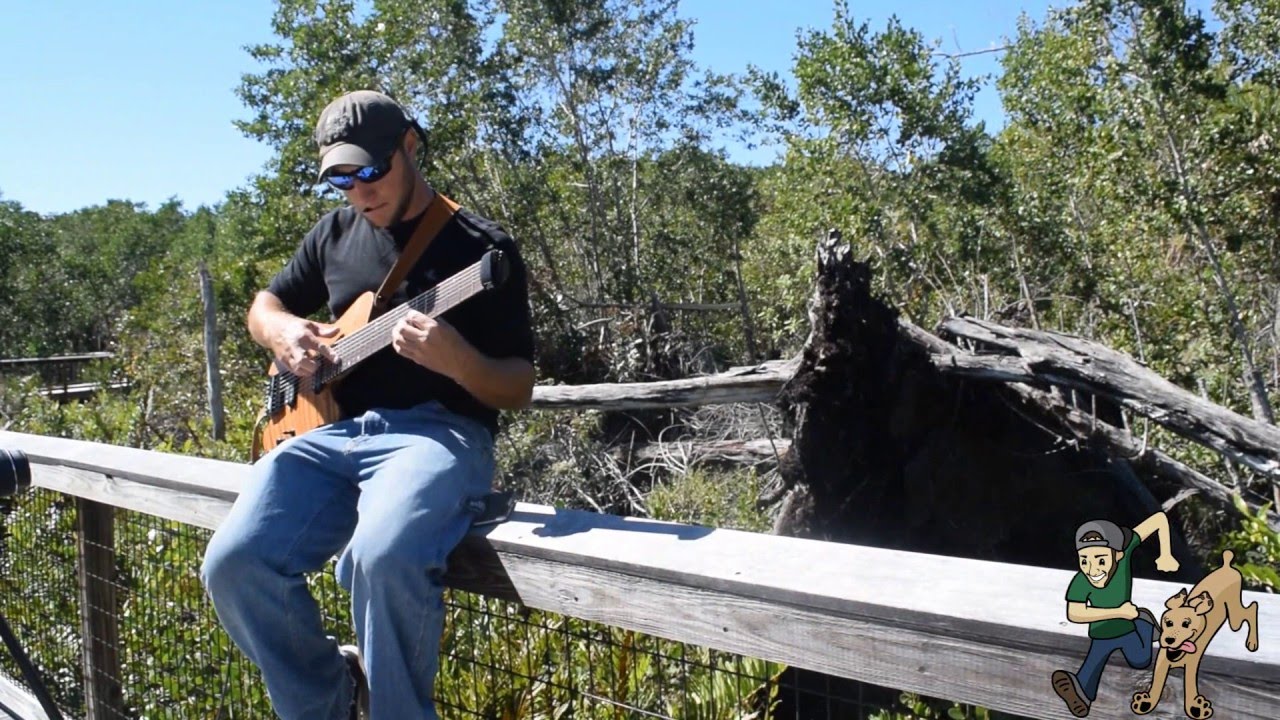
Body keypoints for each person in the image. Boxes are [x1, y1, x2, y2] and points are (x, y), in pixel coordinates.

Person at [200, 90, 536, 720]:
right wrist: (282, 334)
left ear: (410, 146)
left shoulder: (481, 249)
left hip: (439, 437)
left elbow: (518, 387)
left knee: (380, 557)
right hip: (333, 437)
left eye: (371, 172)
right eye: (342, 179)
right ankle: (328, 700)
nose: (359, 191)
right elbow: (263, 306)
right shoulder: (332, 234)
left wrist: (457, 360)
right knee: (234, 563)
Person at [1050, 512, 1180, 717]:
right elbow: (1074, 613)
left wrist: (1165, 554)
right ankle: (1081, 697)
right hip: (1103, 630)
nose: (1092, 569)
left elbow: (1158, 520)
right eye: (1085, 561)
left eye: (1100, 561)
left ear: (1118, 555)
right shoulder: (1081, 581)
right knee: (1093, 661)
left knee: (1140, 660)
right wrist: (1118, 611)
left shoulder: (1124, 552)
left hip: (1128, 627)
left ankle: (1144, 625)